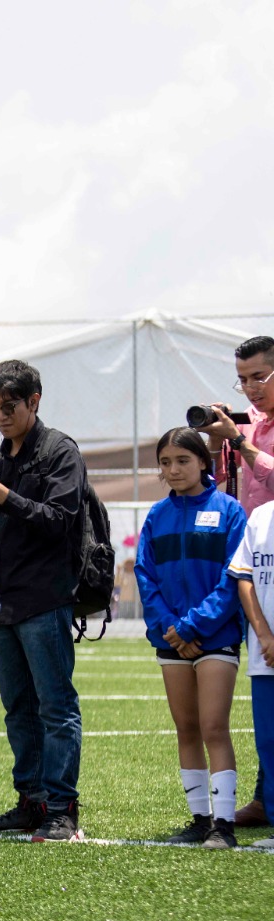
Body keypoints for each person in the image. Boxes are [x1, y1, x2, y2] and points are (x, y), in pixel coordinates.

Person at [0, 359, 87, 842]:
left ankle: (62, 807)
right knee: (17, 708)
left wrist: (1, 492)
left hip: (46, 598)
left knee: (56, 707)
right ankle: (31, 801)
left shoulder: (60, 452)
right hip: (3, 602)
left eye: (8, 406)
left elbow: (59, 518)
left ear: (34, 400)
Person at [136, 429, 245, 848]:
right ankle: (200, 819)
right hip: (171, 639)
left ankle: (224, 825)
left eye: (182, 460)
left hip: (213, 636)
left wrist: (191, 626)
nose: (173, 469)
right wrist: (170, 627)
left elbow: (233, 578)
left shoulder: (229, 511)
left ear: (203, 462)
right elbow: (145, 576)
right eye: (165, 462)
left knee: (214, 726)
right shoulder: (157, 516)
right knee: (186, 728)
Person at [201, 335, 274, 826]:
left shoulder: (253, 433)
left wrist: (242, 442)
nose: (249, 388)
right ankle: (267, 795)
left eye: (259, 377)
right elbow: (223, 489)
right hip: (255, 560)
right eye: (242, 379)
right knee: (264, 690)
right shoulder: (253, 425)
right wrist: (217, 445)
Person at [230, 497, 274, 849]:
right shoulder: (261, 516)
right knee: (269, 742)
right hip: (266, 656)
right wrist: (264, 636)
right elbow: (244, 578)